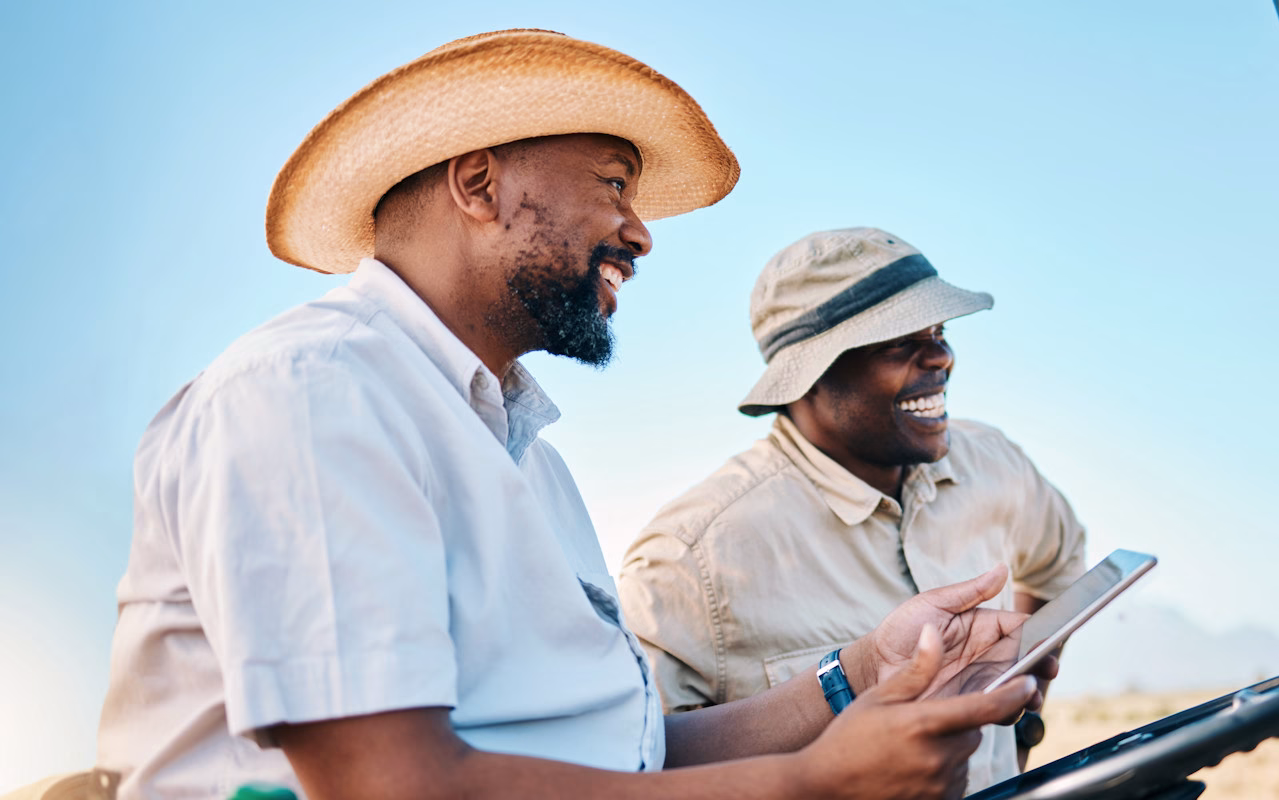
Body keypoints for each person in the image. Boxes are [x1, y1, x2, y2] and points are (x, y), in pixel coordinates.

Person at [93, 32, 1050, 800]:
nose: (638, 233)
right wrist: (807, 786)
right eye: (614, 185)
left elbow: (622, 763)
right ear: (479, 186)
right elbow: (391, 784)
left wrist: (862, 670)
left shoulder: (519, 454)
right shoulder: (311, 392)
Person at [618, 227, 1089, 795]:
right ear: (807, 376)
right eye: (899, 341)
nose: (942, 356)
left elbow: (1060, 559)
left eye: (938, 331)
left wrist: (1022, 717)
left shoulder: (995, 464)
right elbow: (639, 765)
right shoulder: (691, 557)